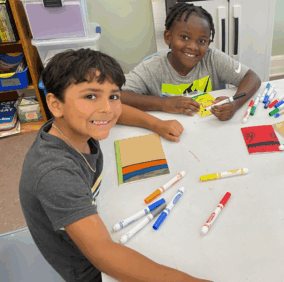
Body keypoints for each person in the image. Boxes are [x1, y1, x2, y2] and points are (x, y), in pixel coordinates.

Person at [19, 49, 210, 282]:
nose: (107, 108)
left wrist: (155, 123)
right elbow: (104, 254)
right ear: (55, 104)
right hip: (89, 269)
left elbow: (117, 113)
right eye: (90, 96)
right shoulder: (55, 173)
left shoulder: (72, 124)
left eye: (113, 96)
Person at [121, 2, 261, 124]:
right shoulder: (152, 68)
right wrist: (163, 103)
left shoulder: (213, 58)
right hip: (170, 130)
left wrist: (235, 103)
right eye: (184, 37)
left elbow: (252, 78)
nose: (193, 47)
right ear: (168, 37)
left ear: (208, 43)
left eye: (201, 41)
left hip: (209, 128)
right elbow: (119, 95)